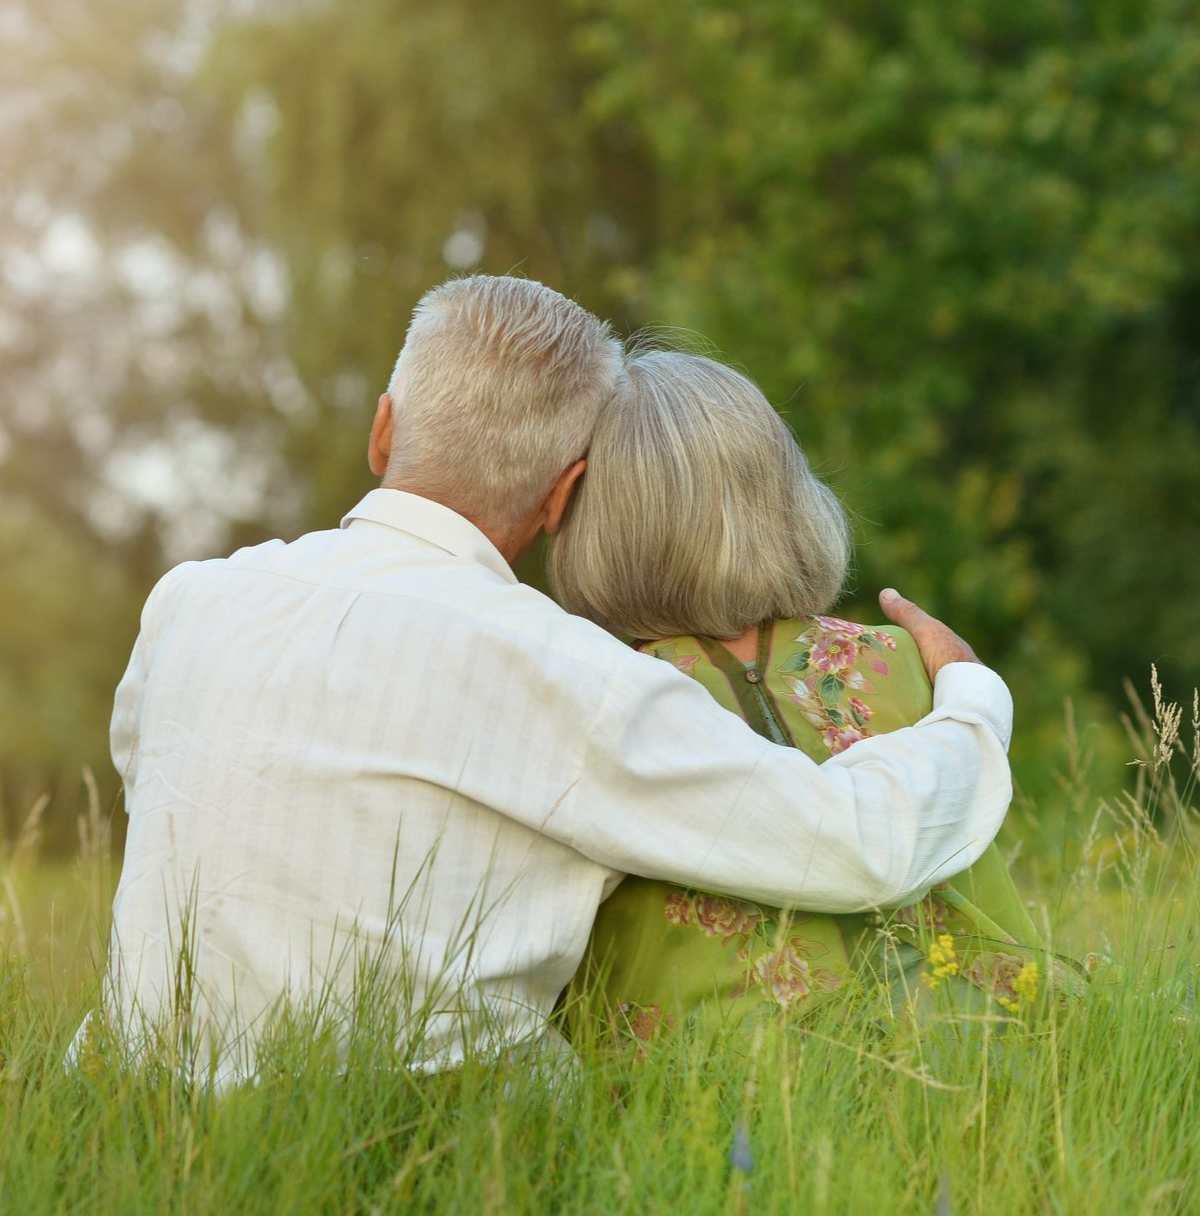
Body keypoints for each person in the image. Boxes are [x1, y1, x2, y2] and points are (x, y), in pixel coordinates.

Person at [82, 276, 1014, 1085]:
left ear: (383, 429)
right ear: (566, 494)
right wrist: (970, 695)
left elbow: (156, 788)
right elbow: (856, 847)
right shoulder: (568, 673)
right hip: (442, 1146)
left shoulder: (188, 602)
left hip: (141, 1110)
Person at [548, 349, 1057, 1045]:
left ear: (595, 524)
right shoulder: (904, 662)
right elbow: (994, 922)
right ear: (786, 495)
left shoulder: (593, 694)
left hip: (702, 1108)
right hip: (960, 1071)